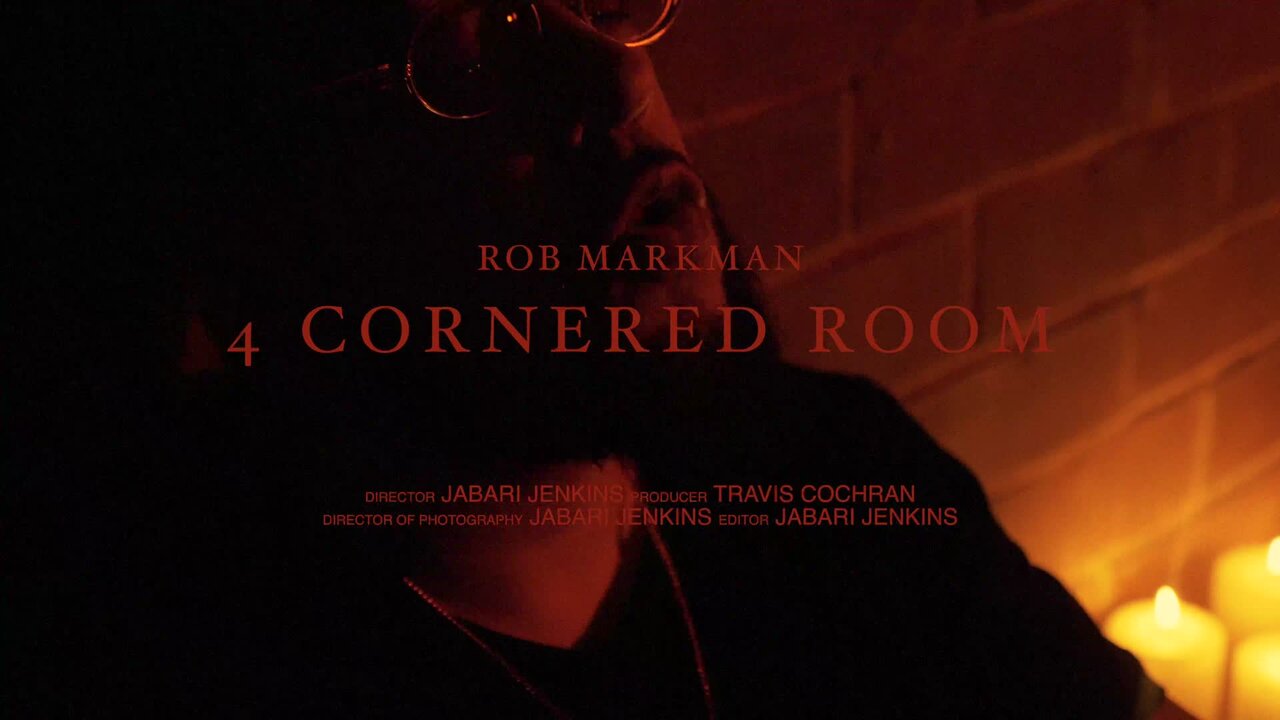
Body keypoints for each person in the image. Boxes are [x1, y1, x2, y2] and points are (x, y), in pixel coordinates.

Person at [124, 1, 1195, 717]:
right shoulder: (180, 646)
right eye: (469, 60)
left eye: (602, 4)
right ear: (269, 226)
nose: (621, 78)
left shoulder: (836, 473)